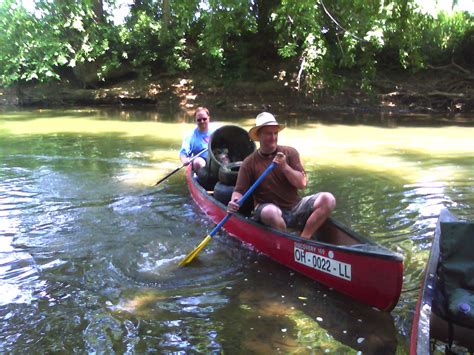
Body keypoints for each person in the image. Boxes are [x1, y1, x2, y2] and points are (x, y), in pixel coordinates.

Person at [227, 112, 336, 239]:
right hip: (267, 210)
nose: (273, 137)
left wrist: (284, 167)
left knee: (328, 199)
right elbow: (239, 191)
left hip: (295, 208)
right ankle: (287, 240)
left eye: (275, 133)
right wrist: (234, 202)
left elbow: (302, 183)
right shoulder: (249, 162)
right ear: (259, 136)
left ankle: (304, 238)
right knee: (271, 212)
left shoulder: (290, 152)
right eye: (268, 133)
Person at [179, 107, 217, 172]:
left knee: (224, 158)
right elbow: (183, 153)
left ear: (208, 118)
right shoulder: (191, 136)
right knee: (198, 162)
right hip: (201, 162)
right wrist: (184, 160)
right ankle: (204, 178)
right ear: (195, 120)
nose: (202, 121)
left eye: (204, 119)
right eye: (199, 120)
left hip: (215, 159)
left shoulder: (216, 132)